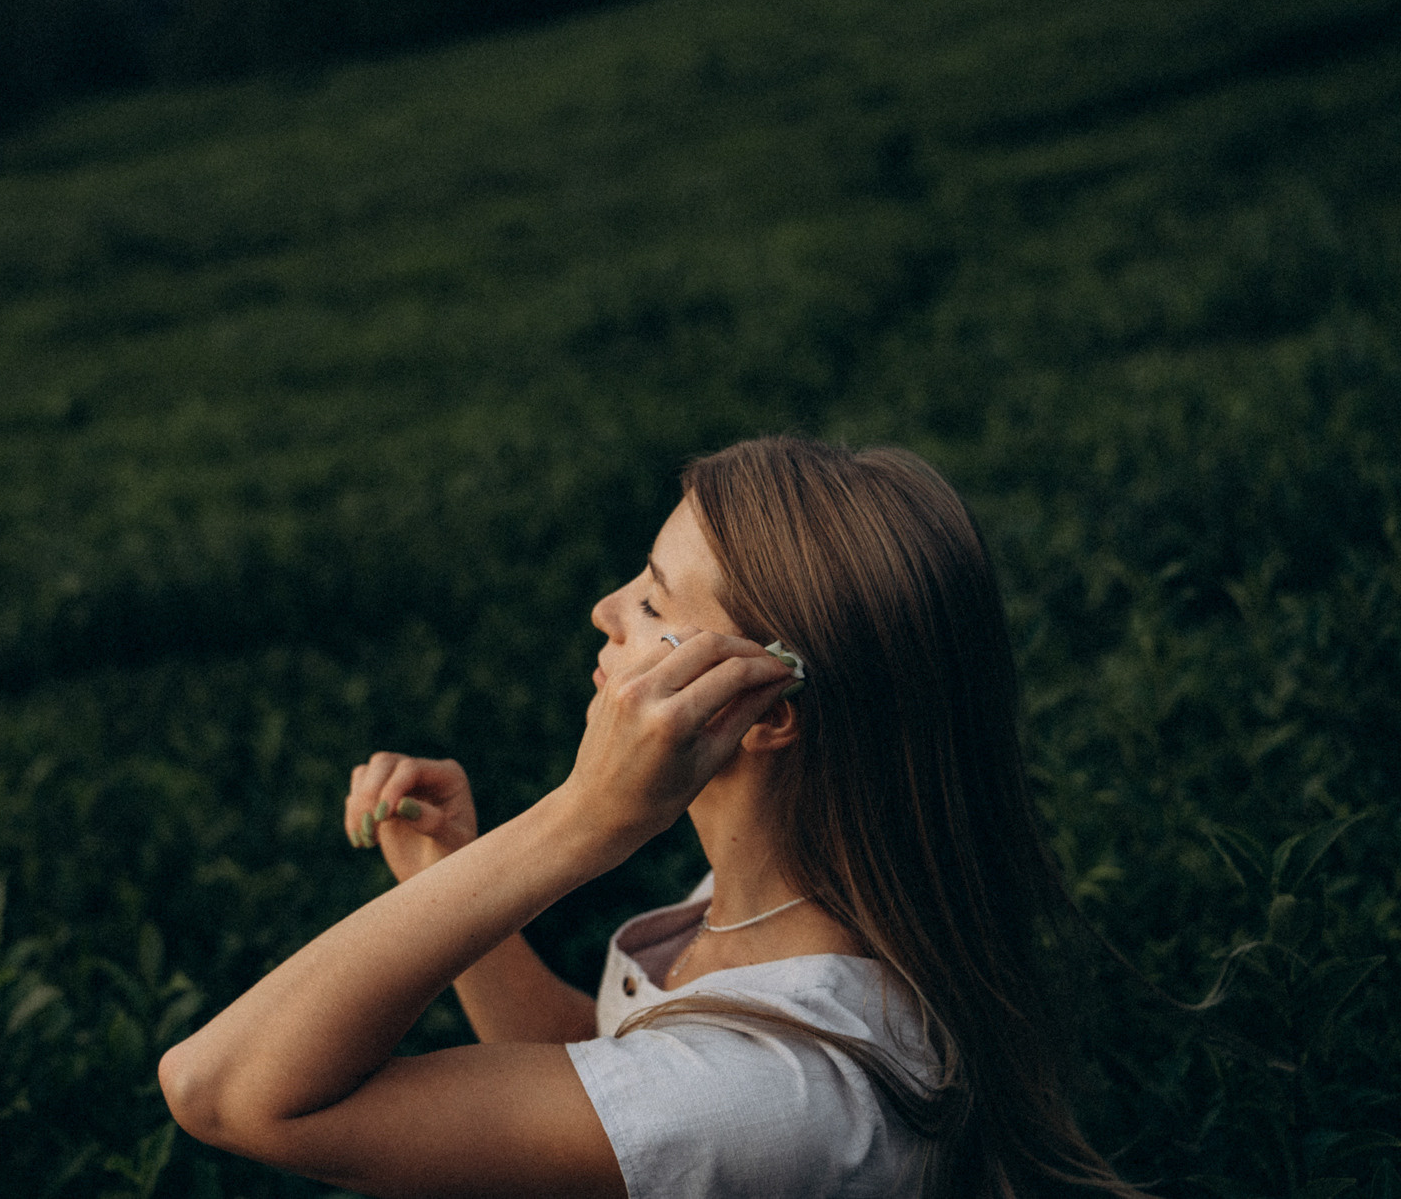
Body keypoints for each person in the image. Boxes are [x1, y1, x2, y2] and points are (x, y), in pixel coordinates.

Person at [159, 436, 1142, 1198]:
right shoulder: (786, 901)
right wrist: (442, 876)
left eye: (651, 601)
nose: (603, 607)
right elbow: (608, 1072)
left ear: (763, 711)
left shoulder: (779, 1091)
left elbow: (224, 1089)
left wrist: (577, 823)